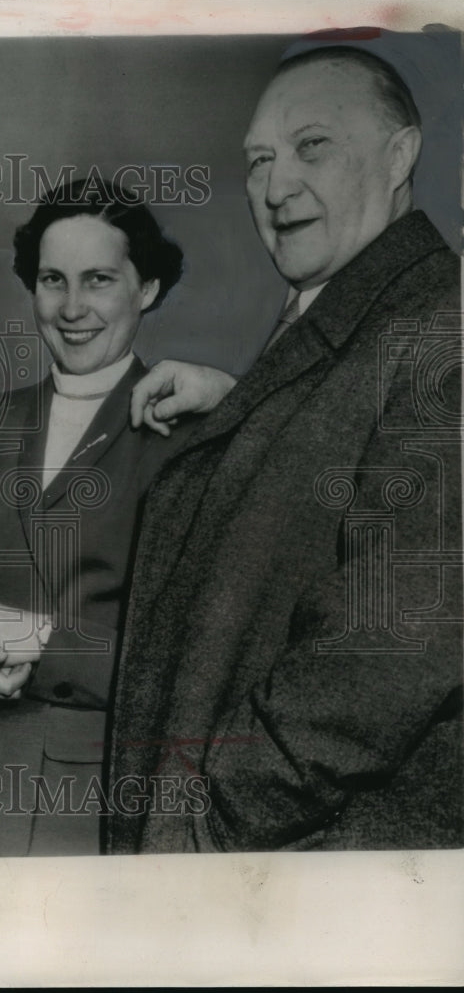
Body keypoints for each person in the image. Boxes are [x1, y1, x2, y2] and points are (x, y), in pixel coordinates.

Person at [106, 45, 462, 853]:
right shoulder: (354, 317)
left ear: (400, 153)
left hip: (291, 870)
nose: (274, 187)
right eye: (259, 160)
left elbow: (388, 647)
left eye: (313, 147)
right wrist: (244, 403)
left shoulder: (446, 326)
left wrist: (207, 823)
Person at [0, 178, 194, 856]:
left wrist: (45, 642)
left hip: (103, 810)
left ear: (146, 289)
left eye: (98, 280)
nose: (71, 308)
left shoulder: (189, 437)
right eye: (51, 280)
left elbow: (192, 663)